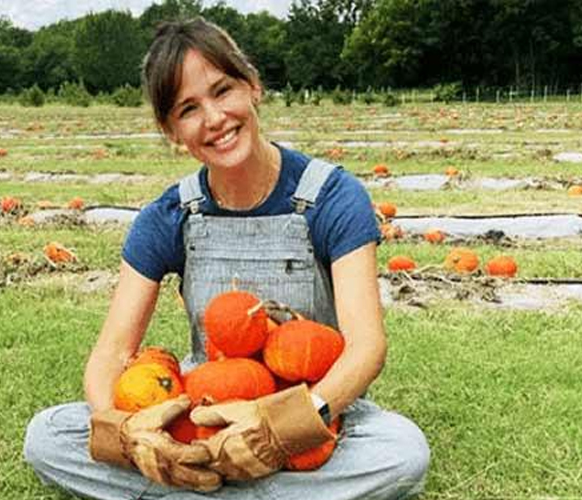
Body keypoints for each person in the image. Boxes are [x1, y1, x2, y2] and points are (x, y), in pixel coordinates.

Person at [24, 17, 430, 500]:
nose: (214, 118)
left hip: (314, 407)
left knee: (402, 453)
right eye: (189, 108)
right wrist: (124, 433)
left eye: (222, 90)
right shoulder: (170, 214)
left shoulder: (332, 197)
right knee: (48, 435)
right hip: (204, 410)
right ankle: (223, 481)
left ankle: (197, 490)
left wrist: (286, 427)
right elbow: (112, 352)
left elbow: (366, 346)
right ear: (170, 129)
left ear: (253, 86)